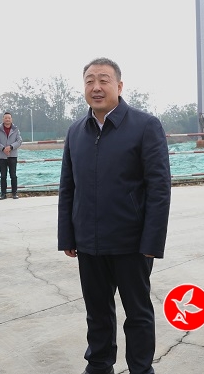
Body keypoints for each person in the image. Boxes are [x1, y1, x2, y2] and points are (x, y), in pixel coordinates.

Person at [58, 57, 171, 374]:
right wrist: (68, 235)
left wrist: (152, 241)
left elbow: (159, 188)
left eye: (103, 80)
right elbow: (68, 187)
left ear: (119, 86)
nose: (96, 87)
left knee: (137, 312)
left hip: (132, 242)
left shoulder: (145, 126)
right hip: (88, 241)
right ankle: (98, 365)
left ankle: (141, 369)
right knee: (97, 312)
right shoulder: (76, 132)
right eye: (89, 80)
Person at [0, 112, 23, 199]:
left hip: (13, 155)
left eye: (9, 118)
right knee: (3, 176)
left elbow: (19, 141)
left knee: (13, 175)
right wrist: (3, 148)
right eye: (6, 118)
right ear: (3, 119)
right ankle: (3, 194)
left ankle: (14, 193)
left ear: (11, 119)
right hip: (2, 156)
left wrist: (11, 147)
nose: (7, 119)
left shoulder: (15, 130)